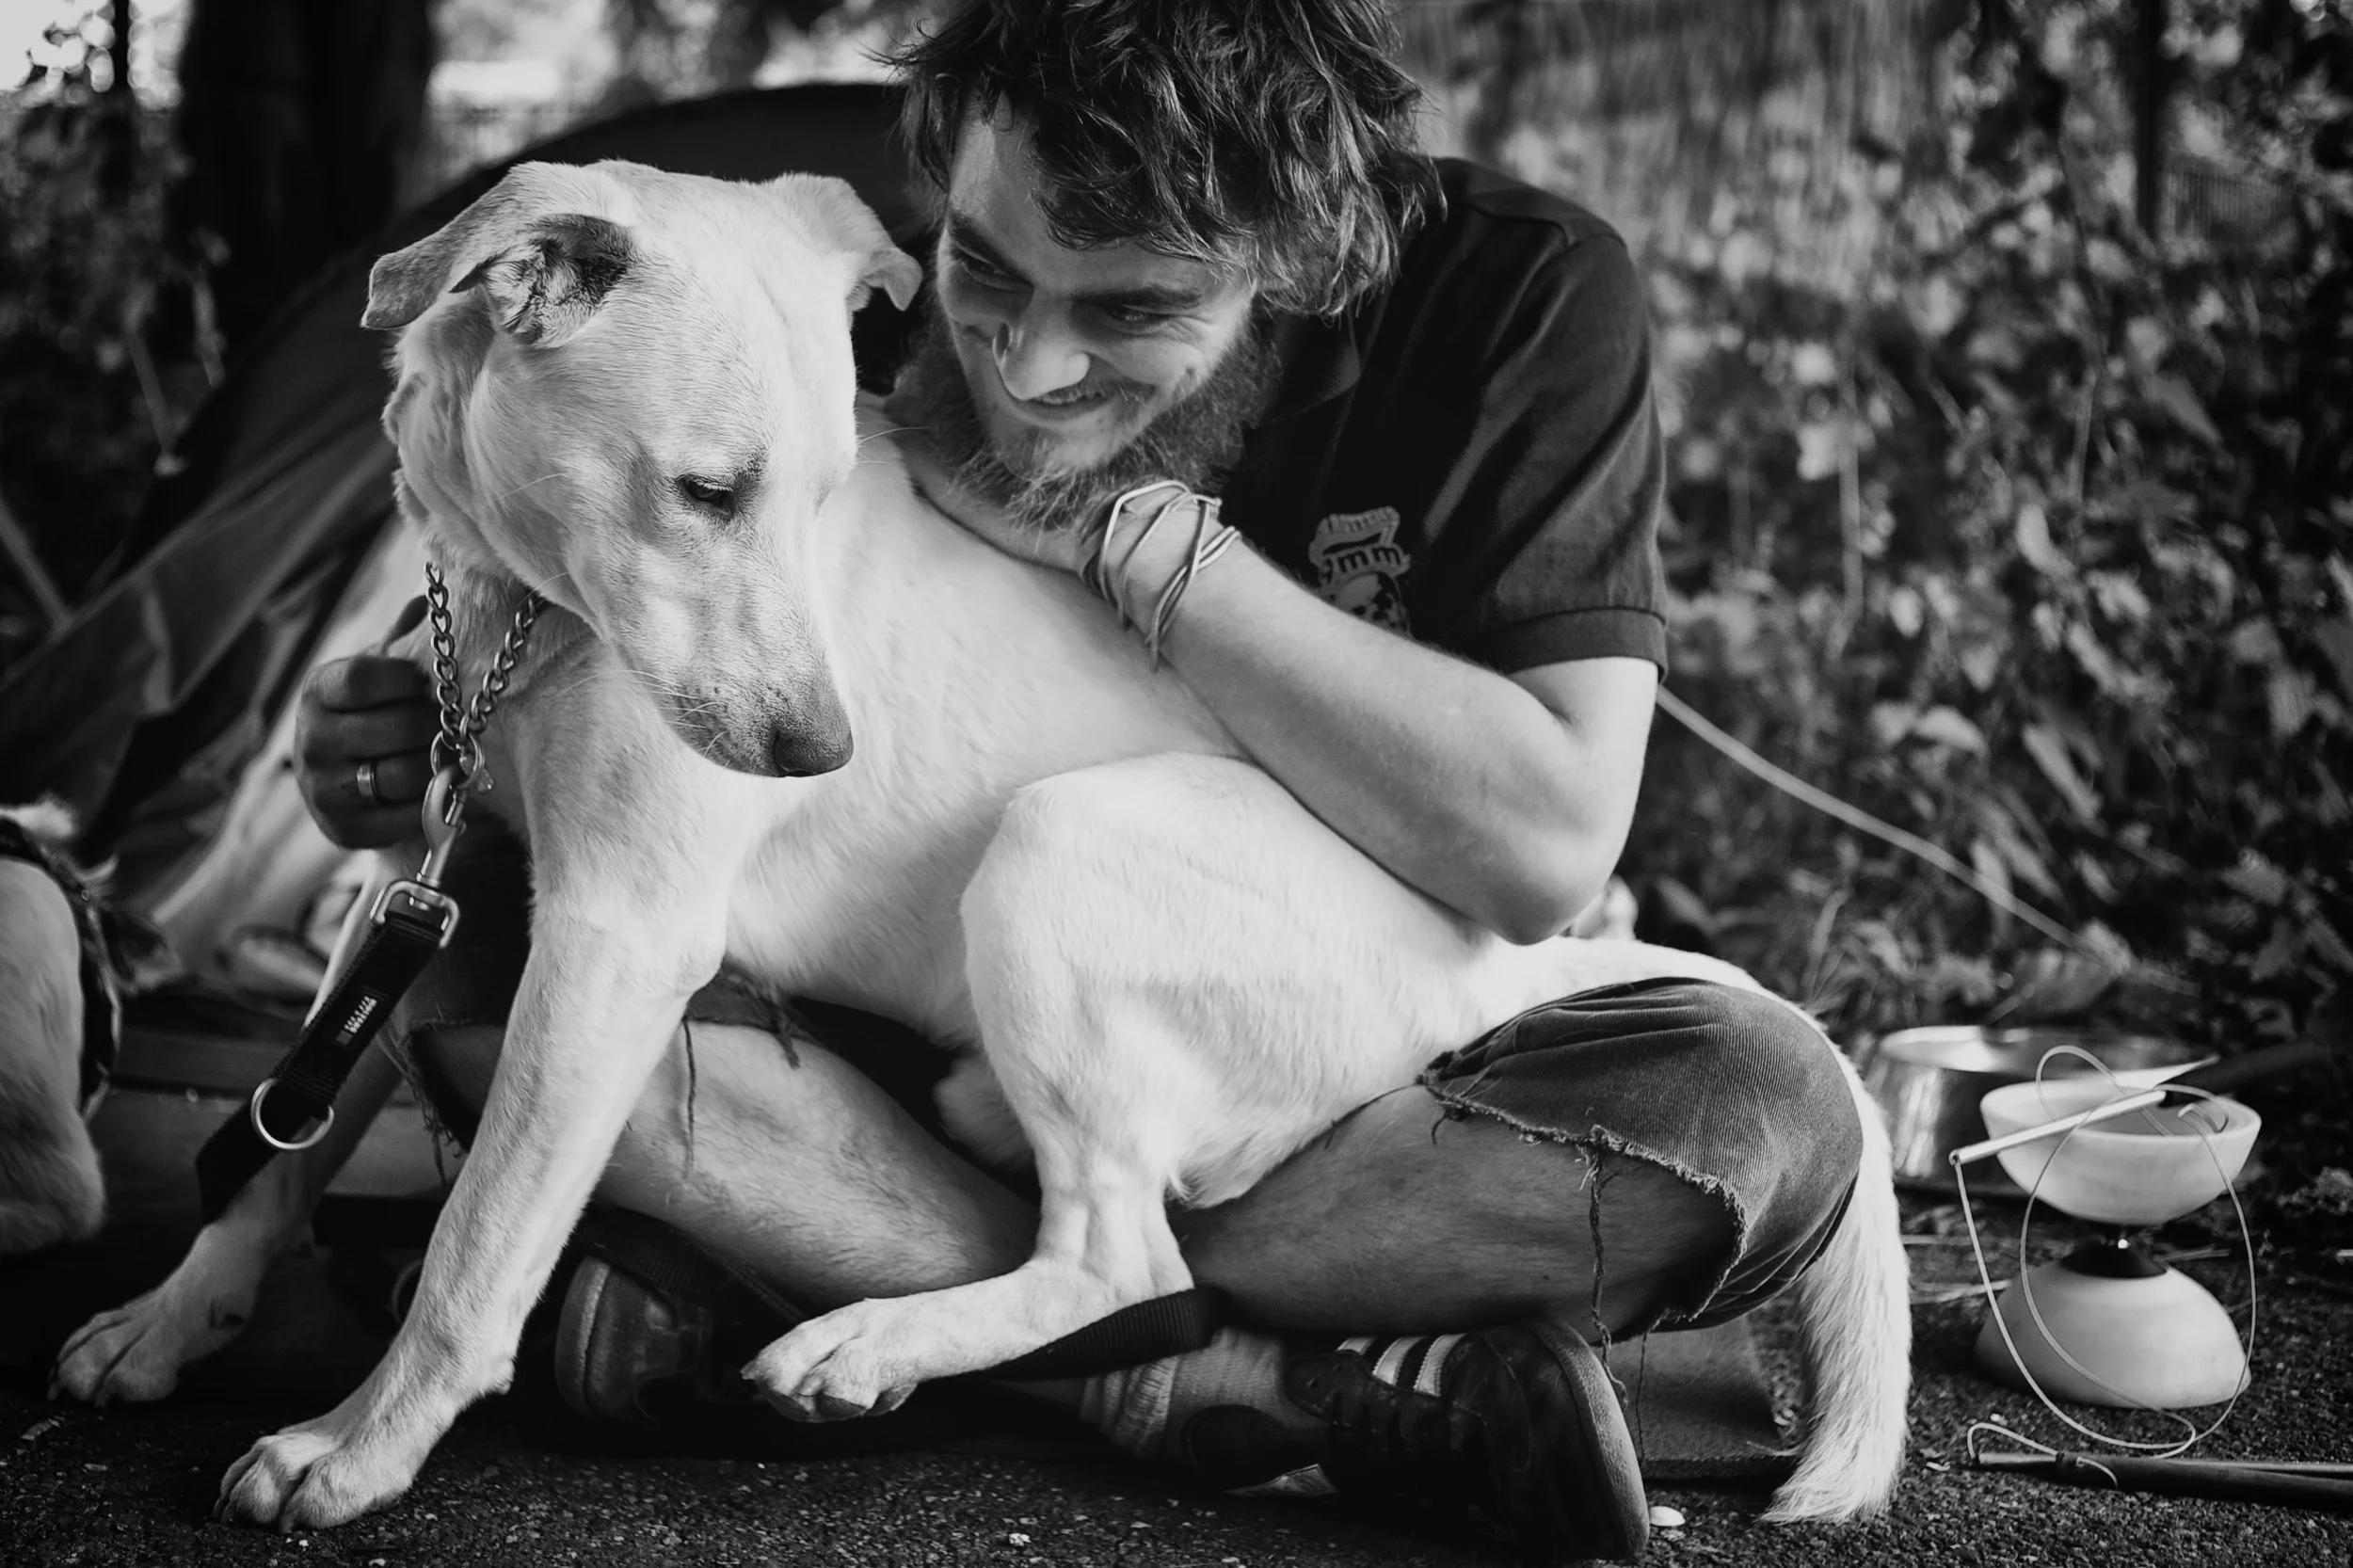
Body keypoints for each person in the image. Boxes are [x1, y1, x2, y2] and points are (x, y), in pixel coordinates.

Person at [296, 3, 1863, 1561]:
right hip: (927, 1052)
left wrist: (1146, 544)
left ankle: (985, 1316)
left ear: (1303, 254)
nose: (1030, 366)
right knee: (535, 1006)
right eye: (986, 269)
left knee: (1753, 1102)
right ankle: (1266, 1375)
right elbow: (613, 648)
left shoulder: (1519, 295)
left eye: (1129, 308)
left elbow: (1546, 851)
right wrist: (440, 739)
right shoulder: (822, 289)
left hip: (1332, 1049)